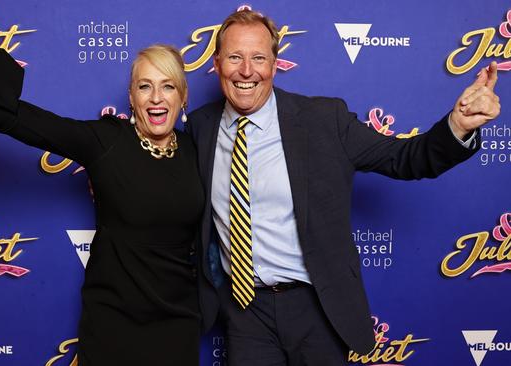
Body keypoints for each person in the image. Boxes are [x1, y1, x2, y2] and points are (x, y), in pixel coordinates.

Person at [0, 27, 203, 366]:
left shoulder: (197, 150)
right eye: (145, 86)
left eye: (168, 86)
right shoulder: (107, 141)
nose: (156, 97)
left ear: (183, 96)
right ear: (131, 97)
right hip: (115, 324)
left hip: (178, 322)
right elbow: (27, 121)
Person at [186, 9, 501, 366]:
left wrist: (458, 126)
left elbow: (405, 158)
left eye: (258, 57)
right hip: (245, 311)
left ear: (274, 65)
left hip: (316, 307)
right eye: (234, 57)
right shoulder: (201, 127)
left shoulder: (324, 120)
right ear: (216, 64)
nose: (246, 70)